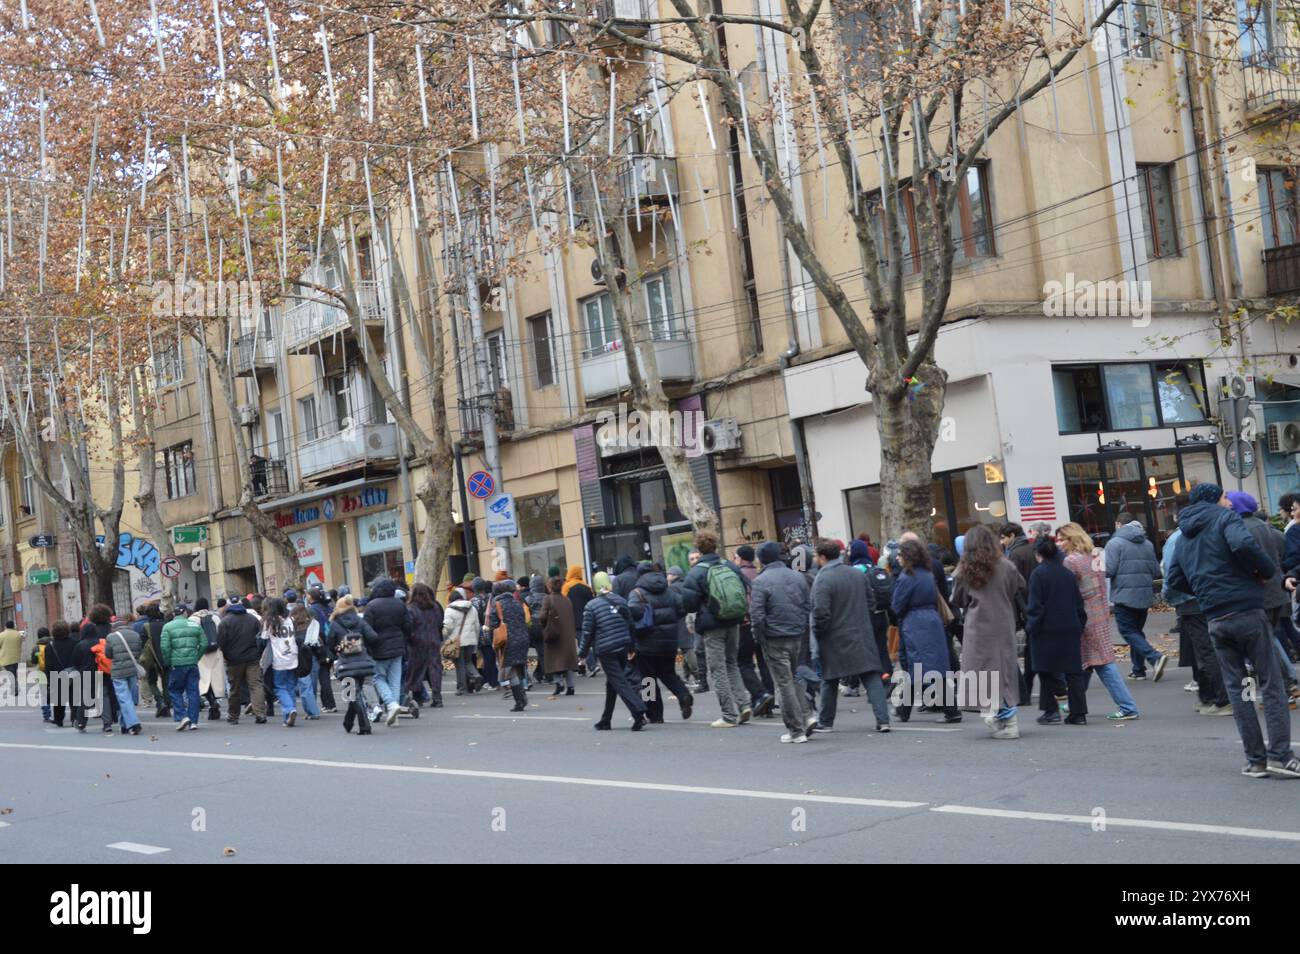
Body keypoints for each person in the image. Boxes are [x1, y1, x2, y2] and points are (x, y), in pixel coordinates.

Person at [1166, 483, 1299, 778]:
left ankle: (1256, 760)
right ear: (1215, 500)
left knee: (1240, 691)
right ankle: (1280, 754)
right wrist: (1265, 573)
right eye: (1225, 497)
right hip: (1246, 610)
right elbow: (1243, 546)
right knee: (1270, 683)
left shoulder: (1184, 536)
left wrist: (1204, 591)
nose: (1228, 502)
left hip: (1216, 618)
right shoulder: (1224, 519)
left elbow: (1174, 578)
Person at [1055, 522, 1140, 720]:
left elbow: (1068, 592)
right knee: (1088, 661)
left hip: (1084, 616)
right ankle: (1075, 703)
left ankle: (1128, 707)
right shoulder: (1095, 555)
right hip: (1100, 612)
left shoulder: (1070, 561)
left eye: (1061, 539)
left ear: (1072, 538)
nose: (1058, 543)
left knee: (1102, 663)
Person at [951, 525, 1024, 738]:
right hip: (1003, 622)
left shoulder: (964, 569)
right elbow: (1017, 587)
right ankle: (1007, 718)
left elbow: (958, 599)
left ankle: (997, 716)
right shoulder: (1007, 566)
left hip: (978, 627)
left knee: (981, 672)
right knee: (1005, 671)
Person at [1229, 492, 1300, 706]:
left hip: (1260, 594)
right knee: (1269, 640)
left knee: (1264, 642)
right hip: (1276, 592)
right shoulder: (1268, 529)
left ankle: (1287, 684)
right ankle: (1287, 685)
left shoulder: (1242, 530)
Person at [678, 530, 753, 728]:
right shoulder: (729, 565)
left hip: (712, 627)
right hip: (734, 621)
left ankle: (728, 715)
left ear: (698, 549)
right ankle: (744, 704)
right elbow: (744, 589)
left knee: (717, 669)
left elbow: (690, 605)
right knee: (732, 663)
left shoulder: (696, 572)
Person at [750, 540, 814, 742]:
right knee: (793, 679)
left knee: (784, 683)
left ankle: (796, 729)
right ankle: (806, 717)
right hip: (796, 634)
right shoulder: (797, 577)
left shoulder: (760, 581)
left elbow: (757, 614)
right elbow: (806, 606)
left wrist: (759, 637)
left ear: (761, 559)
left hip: (774, 637)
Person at [892, 539, 961, 726]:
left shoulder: (907, 577)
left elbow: (897, 605)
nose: (897, 558)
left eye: (900, 554)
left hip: (915, 623)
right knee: (936, 666)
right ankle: (950, 710)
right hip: (933, 620)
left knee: (918, 666)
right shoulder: (928, 574)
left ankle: (904, 709)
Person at [1024, 536, 1089, 725]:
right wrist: (1079, 623)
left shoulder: (1038, 575)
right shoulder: (1067, 574)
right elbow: (1079, 602)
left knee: (1044, 669)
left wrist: (1031, 626)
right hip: (1070, 627)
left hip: (1046, 629)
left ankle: (1051, 710)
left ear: (1038, 553)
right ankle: (1078, 713)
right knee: (1073, 672)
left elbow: (1035, 606)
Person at [579, 571, 647, 731]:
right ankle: (606, 719)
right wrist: (631, 646)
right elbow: (630, 624)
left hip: (606, 648)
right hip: (623, 645)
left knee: (620, 681)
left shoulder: (591, 606)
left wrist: (582, 654)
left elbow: (587, 632)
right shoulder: (621, 600)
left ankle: (639, 711)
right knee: (613, 683)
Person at [1103, 513, 1167, 681]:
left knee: (1128, 631)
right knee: (1136, 631)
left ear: (1118, 524)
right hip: (1144, 594)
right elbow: (1155, 572)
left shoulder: (1114, 543)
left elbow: (1109, 570)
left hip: (1124, 594)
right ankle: (1138, 669)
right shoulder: (1147, 544)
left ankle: (1155, 657)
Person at [627, 562, 693, 722]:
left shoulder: (636, 593)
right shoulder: (668, 590)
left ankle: (655, 714)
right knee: (668, 673)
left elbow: (631, 613)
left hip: (646, 643)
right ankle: (683, 695)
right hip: (669, 641)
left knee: (647, 679)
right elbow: (682, 608)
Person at [733, 545, 775, 717]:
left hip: (746, 623)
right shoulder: (760, 574)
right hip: (763, 623)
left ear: (741, 558)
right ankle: (769, 701)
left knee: (744, 663)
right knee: (764, 663)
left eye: (735, 557)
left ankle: (760, 694)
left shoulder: (737, 575)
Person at [363, 578, 411, 726]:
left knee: (378, 678)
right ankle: (393, 713)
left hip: (379, 648)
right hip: (398, 647)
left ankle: (391, 705)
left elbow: (366, 629)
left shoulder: (371, 606)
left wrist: (369, 646)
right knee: (395, 681)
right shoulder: (400, 604)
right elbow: (408, 625)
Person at [218, 595, 266, 724]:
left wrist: (227, 655)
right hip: (252, 658)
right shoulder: (252, 619)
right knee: (256, 685)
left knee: (235, 688)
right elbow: (260, 638)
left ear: (229, 606)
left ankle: (233, 716)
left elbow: (221, 643)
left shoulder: (225, 622)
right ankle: (260, 713)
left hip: (234, 659)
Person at [488, 579, 532, 712]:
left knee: (510, 671)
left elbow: (493, 625)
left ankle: (520, 700)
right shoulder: (517, 602)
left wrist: (492, 639)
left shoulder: (497, 605)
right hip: (523, 638)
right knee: (517, 668)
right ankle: (521, 697)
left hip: (508, 641)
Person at [161, 604, 206, 731]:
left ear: (174, 614)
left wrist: (168, 661)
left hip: (176, 664)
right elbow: (204, 643)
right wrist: (197, 657)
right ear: (185, 612)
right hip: (192, 663)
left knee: (175, 690)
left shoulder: (168, 627)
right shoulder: (195, 625)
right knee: (193, 691)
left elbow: (164, 647)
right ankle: (193, 721)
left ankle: (182, 715)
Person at [103, 615, 145, 736]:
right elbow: (139, 651)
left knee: (123, 698)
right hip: (132, 669)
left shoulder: (110, 637)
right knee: (129, 698)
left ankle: (133, 723)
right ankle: (124, 724)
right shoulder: (135, 635)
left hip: (118, 671)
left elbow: (108, 654)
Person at [404, 583, 444, 708]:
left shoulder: (411, 608)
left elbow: (408, 626)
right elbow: (439, 622)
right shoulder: (435, 606)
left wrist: (409, 638)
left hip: (417, 642)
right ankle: (437, 696)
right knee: (434, 668)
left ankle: (417, 695)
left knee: (416, 668)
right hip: (433, 640)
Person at [538, 576, 579, 697]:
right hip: (567, 633)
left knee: (554, 659)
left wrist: (543, 626)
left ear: (549, 587)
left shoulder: (548, 599)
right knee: (567, 661)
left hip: (553, 633)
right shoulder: (567, 599)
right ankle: (571, 686)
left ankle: (559, 684)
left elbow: (542, 616)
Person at [189, 598, 225, 722]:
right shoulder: (215, 618)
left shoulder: (192, 619)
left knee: (203, 680)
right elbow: (221, 633)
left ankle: (211, 701)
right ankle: (215, 701)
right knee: (215, 679)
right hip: (216, 652)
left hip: (201, 654)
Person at [444, 584, 484, 695]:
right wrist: (475, 639)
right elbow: (477, 625)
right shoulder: (472, 608)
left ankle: (462, 687)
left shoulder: (449, 609)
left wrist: (445, 637)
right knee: (468, 661)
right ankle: (476, 676)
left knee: (459, 664)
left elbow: (448, 626)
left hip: (456, 641)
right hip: (471, 640)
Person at [307, 588, 337, 712]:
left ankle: (326, 704)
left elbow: (314, 629)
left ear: (310, 597)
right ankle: (330, 703)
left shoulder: (312, 610)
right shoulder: (328, 608)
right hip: (331, 644)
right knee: (325, 674)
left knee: (320, 676)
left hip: (319, 646)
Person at [45, 622, 77, 727]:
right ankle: (75, 718)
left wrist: (49, 680)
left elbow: (48, 665)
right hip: (73, 673)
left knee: (59, 700)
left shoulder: (50, 646)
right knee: (74, 698)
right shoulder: (74, 643)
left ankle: (59, 719)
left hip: (57, 675)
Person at [522, 574, 549, 689]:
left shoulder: (528, 598)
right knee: (542, 652)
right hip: (544, 626)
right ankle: (546, 675)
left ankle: (532, 675)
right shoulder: (547, 597)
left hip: (531, 628)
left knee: (526, 652)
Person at [0, 619, 21, 697]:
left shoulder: (2, 635)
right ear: (13, 626)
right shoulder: (17, 634)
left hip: (5, 658)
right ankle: (15, 687)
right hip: (15, 658)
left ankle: (14, 688)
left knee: (11, 673)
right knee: (13, 672)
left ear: (5, 626)